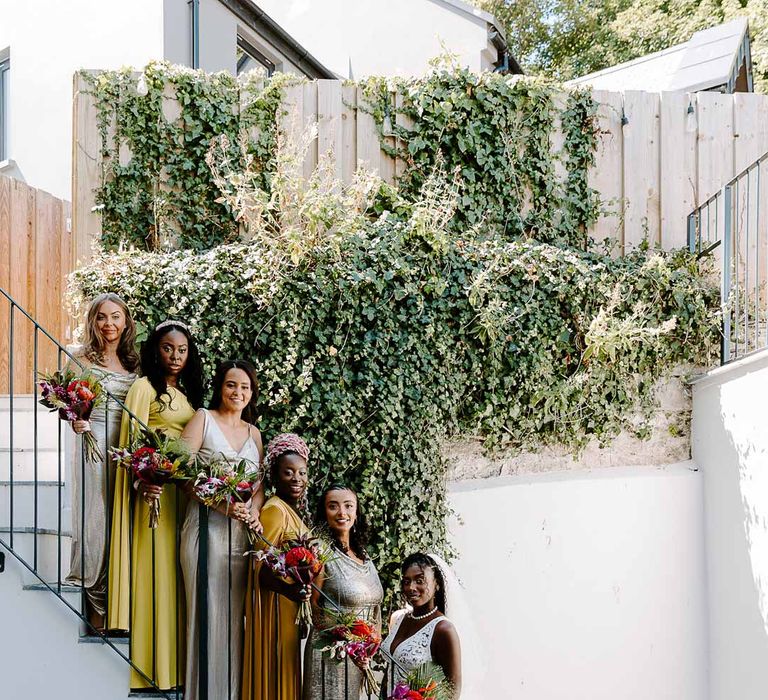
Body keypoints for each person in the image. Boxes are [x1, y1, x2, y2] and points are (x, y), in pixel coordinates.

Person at [107, 320, 204, 691]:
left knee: (178, 582)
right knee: (156, 577)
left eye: (182, 350)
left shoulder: (191, 394)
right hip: (155, 499)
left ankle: (177, 670)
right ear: (155, 349)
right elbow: (131, 447)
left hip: (183, 498)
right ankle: (148, 670)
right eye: (167, 348)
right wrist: (145, 482)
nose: (175, 356)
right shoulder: (143, 388)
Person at [179, 360, 266, 700]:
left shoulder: (254, 432)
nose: (238, 392)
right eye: (232, 385)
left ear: (251, 392)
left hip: (241, 537)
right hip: (206, 530)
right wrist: (221, 504)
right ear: (220, 387)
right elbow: (182, 473)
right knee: (207, 614)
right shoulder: (204, 418)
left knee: (234, 620)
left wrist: (254, 511)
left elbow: (259, 485)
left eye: (245, 387)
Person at [66, 293, 139, 633]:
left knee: (121, 522)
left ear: (126, 322)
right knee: (96, 522)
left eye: (115, 317)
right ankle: (96, 614)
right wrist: (74, 420)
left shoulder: (135, 363)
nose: (109, 324)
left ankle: (120, 612)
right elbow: (63, 401)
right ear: (92, 321)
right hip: (92, 443)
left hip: (124, 448)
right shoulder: (79, 357)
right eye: (101, 317)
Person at [242, 433, 312, 700]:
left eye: (302, 472)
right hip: (275, 610)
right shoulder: (274, 510)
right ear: (274, 476)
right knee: (276, 676)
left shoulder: (291, 510)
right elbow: (260, 568)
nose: (297, 479)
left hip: (291, 609)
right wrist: (291, 592)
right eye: (288, 473)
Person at [303, 484, 384, 700]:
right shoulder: (320, 551)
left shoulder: (363, 554)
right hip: (331, 654)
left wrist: (370, 644)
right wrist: (351, 641)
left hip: (360, 656)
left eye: (349, 506)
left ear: (356, 513)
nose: (342, 513)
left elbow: (375, 606)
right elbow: (315, 611)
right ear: (324, 513)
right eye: (333, 506)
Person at [381, 553, 462, 697]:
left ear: (436, 583)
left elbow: (452, 692)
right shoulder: (399, 619)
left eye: (420, 580)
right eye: (406, 581)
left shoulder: (443, 629)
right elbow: (390, 671)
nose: (411, 587)